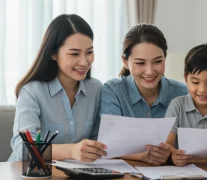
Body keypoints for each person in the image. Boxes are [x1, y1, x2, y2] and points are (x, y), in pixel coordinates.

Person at [8, 14, 107, 162]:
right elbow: (23, 148)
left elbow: (99, 141)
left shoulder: (96, 89)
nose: (84, 62)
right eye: (74, 54)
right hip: (28, 173)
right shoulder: (32, 91)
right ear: (53, 54)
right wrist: (71, 151)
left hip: (75, 173)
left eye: (89, 52)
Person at [100, 24, 188, 165]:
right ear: (125, 61)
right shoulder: (113, 91)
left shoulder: (182, 93)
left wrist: (172, 153)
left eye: (157, 62)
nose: (149, 71)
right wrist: (142, 156)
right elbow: (108, 144)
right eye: (140, 63)